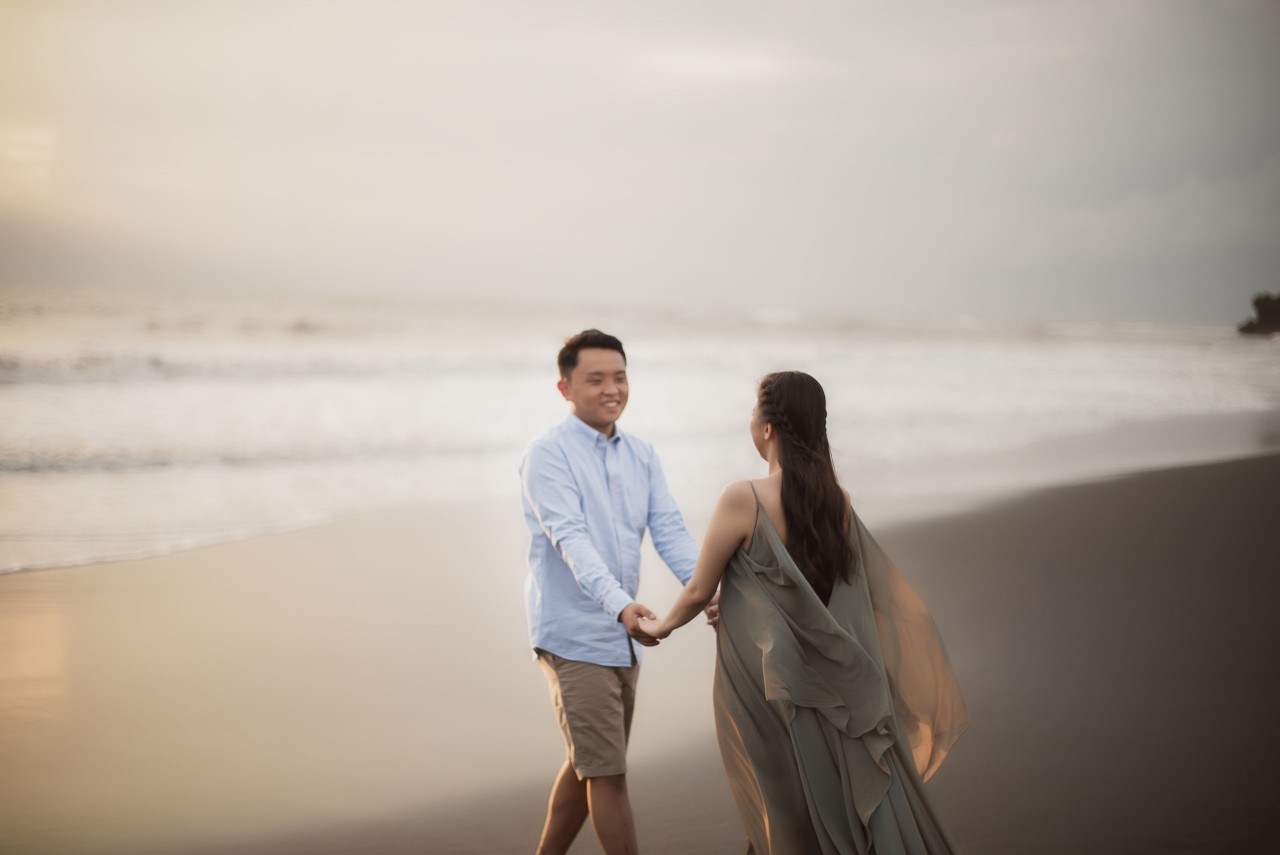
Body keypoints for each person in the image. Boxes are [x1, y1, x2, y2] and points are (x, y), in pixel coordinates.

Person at [638, 371, 968, 854]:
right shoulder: (837, 502)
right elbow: (824, 596)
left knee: (783, 802)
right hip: (828, 684)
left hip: (771, 681)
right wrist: (741, 600)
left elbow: (697, 591)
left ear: (768, 427)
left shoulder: (743, 497)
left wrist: (660, 626)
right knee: (826, 795)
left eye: (753, 413)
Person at [520, 329, 714, 855]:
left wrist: (706, 589)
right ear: (565, 388)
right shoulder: (547, 454)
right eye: (596, 379)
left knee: (589, 763)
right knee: (607, 772)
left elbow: (669, 529)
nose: (612, 389)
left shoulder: (642, 455)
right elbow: (571, 541)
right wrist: (622, 606)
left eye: (620, 377)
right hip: (574, 634)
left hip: (623, 637)